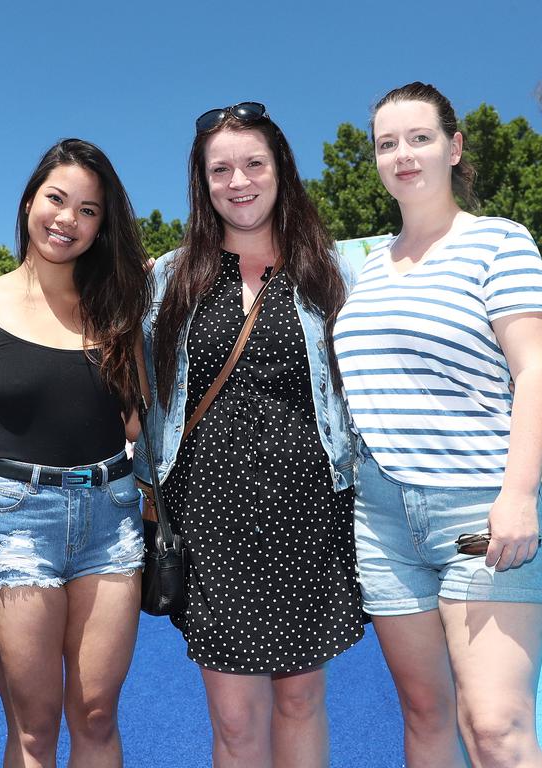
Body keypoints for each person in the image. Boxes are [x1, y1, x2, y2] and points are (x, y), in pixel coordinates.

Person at [334, 82, 542, 767]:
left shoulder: (498, 243)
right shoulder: (364, 271)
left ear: (453, 148)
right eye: (387, 144)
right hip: (381, 519)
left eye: (420, 138)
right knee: (428, 718)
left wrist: (518, 494)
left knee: (495, 727)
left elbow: (536, 371)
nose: (403, 155)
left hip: (481, 508)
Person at [134, 103, 364, 768]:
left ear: (280, 170)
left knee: (301, 700)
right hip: (210, 520)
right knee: (235, 720)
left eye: (253, 164)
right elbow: (125, 373)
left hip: (311, 513)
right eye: (220, 169)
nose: (239, 180)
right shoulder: (169, 278)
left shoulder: (328, 271)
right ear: (202, 183)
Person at [0, 138, 150, 767]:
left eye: (88, 210)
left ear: (102, 225)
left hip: (110, 517)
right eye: (57, 199)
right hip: (14, 522)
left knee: (95, 715)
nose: (68, 219)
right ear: (30, 199)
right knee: (33, 726)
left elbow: (140, 420)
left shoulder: (120, 305)